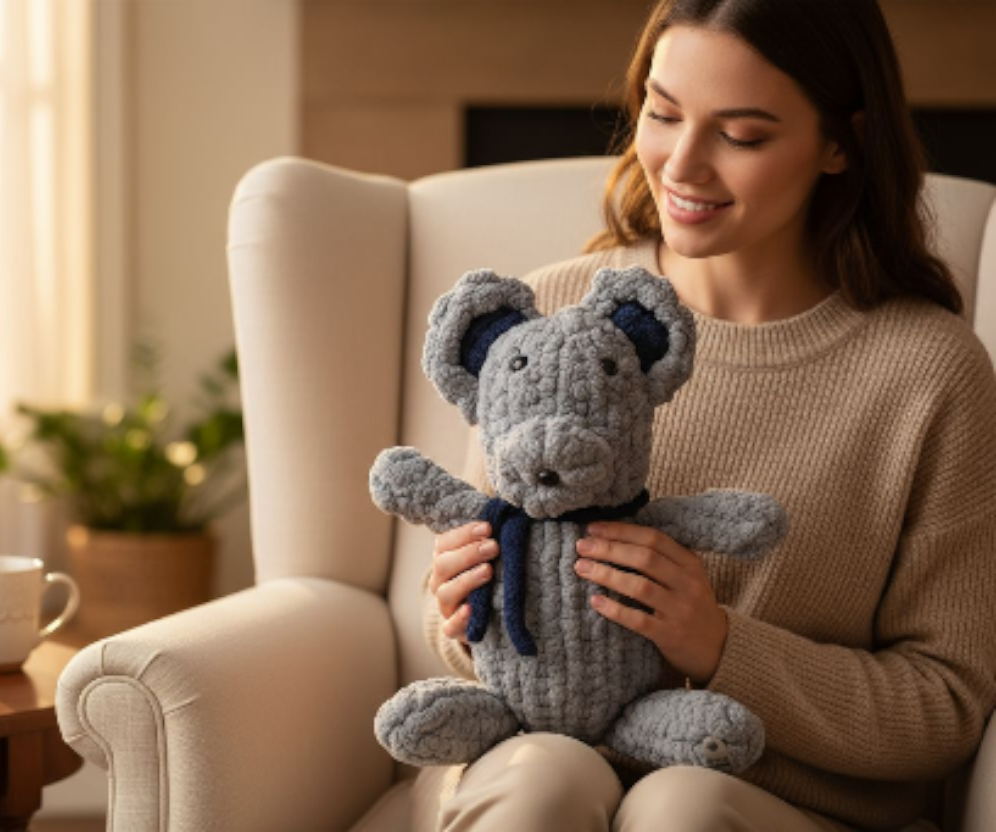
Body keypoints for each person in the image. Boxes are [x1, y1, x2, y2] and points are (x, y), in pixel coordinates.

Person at [411, 0, 996, 830]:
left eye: (743, 135)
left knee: (679, 808)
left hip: (776, 803)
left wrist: (724, 647)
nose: (682, 165)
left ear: (842, 142)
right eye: (662, 112)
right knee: (541, 783)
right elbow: (468, 625)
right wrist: (459, 607)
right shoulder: (548, 314)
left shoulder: (931, 374)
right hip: (542, 767)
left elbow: (944, 705)